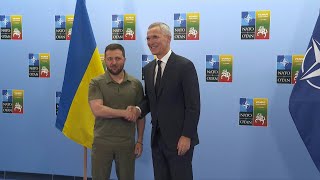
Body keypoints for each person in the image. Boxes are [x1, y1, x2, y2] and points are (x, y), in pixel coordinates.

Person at [130, 22, 201, 180]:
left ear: (168, 38)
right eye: (148, 38)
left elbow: (193, 106)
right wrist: (138, 110)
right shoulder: (148, 69)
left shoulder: (185, 66)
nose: (150, 42)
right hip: (157, 140)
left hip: (179, 140)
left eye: (155, 37)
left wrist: (186, 136)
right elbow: (150, 100)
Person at [88, 43, 145, 180]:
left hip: (127, 144)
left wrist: (140, 141)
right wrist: (124, 113)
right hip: (102, 142)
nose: (114, 63)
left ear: (124, 59)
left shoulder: (136, 84)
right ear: (105, 60)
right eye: (110, 59)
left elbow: (140, 115)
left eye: (118, 58)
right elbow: (98, 110)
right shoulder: (96, 82)